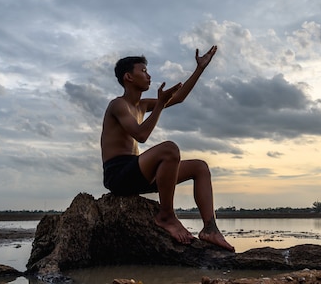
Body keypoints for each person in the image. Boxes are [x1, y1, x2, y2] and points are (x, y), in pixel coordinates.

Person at [100, 45, 234, 252]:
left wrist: (199, 69)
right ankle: (166, 215)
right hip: (118, 174)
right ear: (128, 77)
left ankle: (210, 229)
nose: (148, 75)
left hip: (139, 172)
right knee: (169, 149)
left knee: (200, 167)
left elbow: (178, 98)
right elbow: (141, 135)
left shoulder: (142, 105)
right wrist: (161, 104)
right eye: (143, 71)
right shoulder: (118, 105)